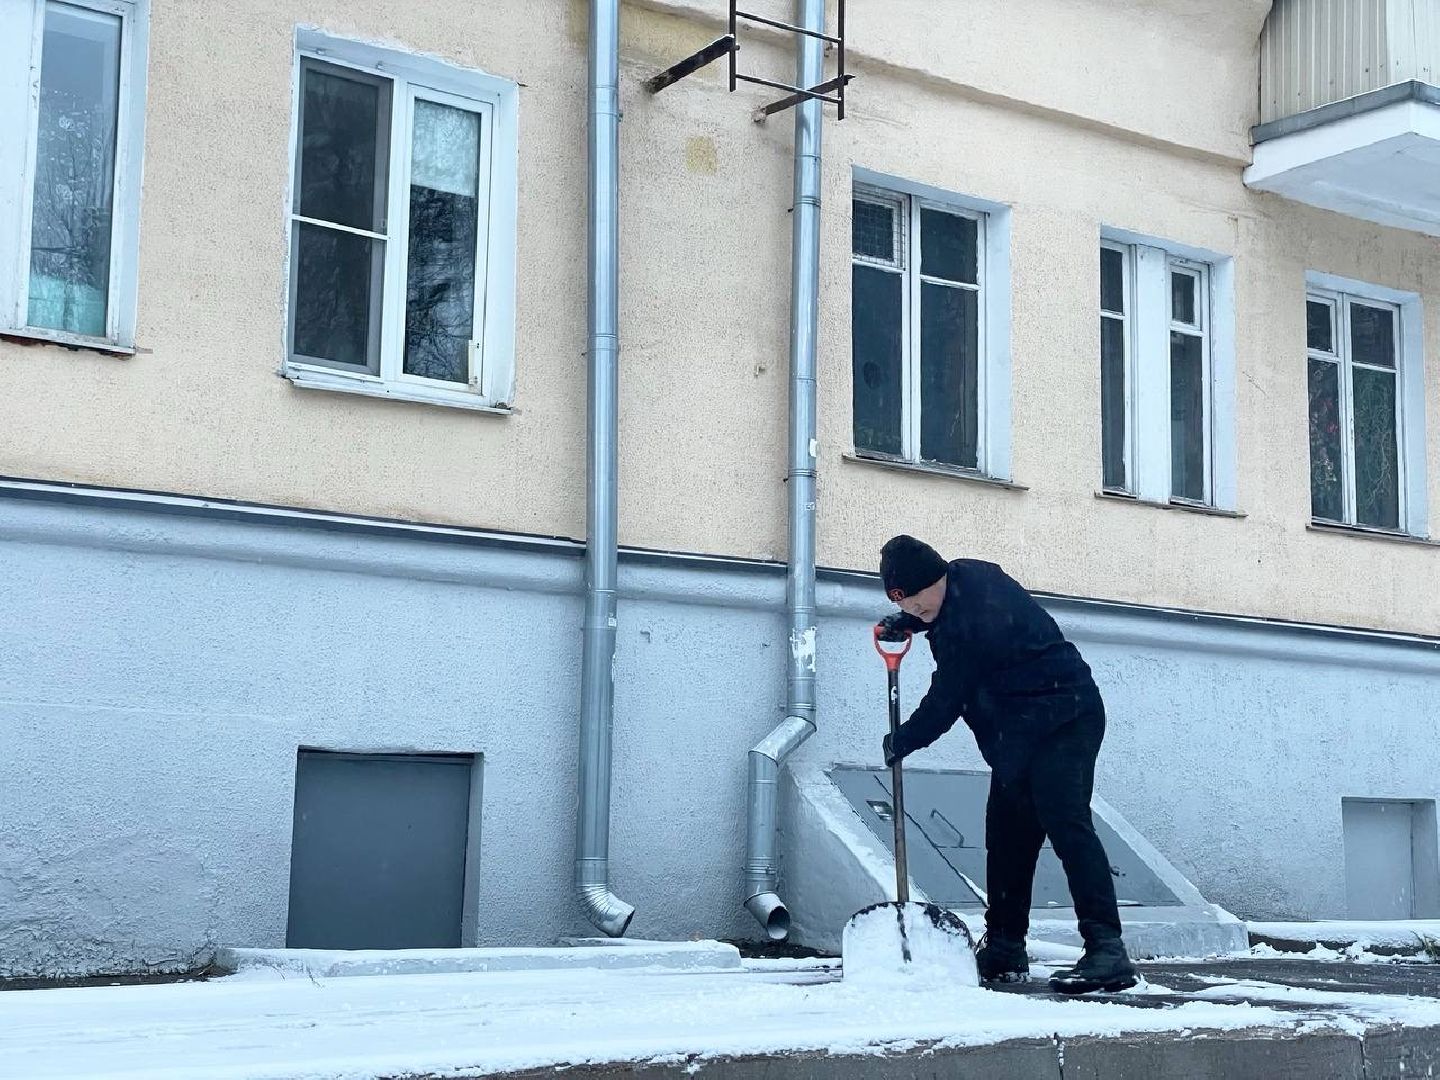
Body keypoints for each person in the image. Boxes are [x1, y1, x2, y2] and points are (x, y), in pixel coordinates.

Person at [875, 534, 1136, 994]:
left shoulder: (976, 618)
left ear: (936, 581)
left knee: (1066, 822)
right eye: (908, 607)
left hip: (1064, 717)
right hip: (1017, 734)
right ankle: (1004, 948)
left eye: (918, 604)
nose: (917, 613)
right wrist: (910, 623)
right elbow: (943, 616)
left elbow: (947, 698)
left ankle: (1107, 950)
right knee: (1007, 836)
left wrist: (904, 739)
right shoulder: (959, 586)